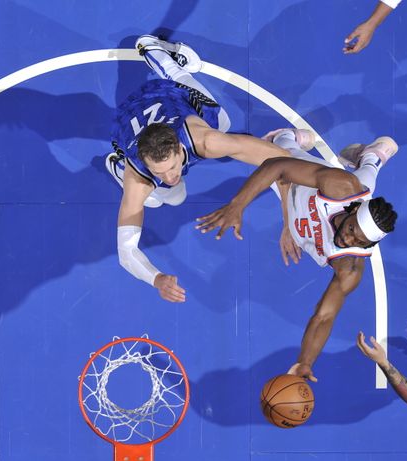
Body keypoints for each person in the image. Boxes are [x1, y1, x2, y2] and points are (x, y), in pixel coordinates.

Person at [195, 128, 398, 381]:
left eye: (358, 241)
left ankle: (370, 156)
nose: (348, 240)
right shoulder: (340, 187)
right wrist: (237, 207)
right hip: (308, 182)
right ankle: (362, 154)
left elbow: (324, 316)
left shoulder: (350, 267)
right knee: (284, 150)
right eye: (350, 230)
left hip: (308, 219)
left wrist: (305, 361)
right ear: (353, 209)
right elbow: (277, 167)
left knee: (364, 182)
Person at [107, 35, 289, 303]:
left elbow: (281, 160)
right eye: (159, 173)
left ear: (181, 150)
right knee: (171, 195)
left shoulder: (206, 140)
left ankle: (156, 53)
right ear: (146, 163)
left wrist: (289, 210)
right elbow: (126, 251)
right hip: (128, 120)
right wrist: (156, 279)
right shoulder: (140, 175)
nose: (169, 176)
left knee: (223, 122)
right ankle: (119, 165)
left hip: (165, 94)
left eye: (171, 167)